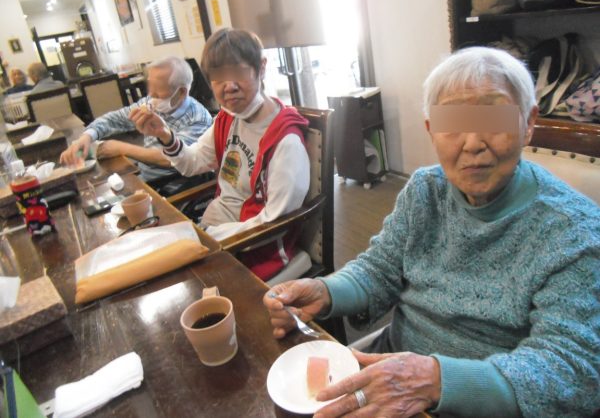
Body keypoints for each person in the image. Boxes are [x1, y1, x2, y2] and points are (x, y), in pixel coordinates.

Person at [263, 47, 600, 418]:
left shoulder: (574, 232)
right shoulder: (426, 190)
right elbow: (380, 268)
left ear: (529, 123)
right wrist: (325, 291)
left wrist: (435, 381)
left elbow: (571, 370)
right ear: (431, 131)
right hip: (390, 371)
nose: (473, 143)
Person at [131, 28, 310, 280]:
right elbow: (192, 163)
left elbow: (274, 222)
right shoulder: (228, 119)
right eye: (218, 77)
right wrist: (165, 135)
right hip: (215, 235)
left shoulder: (285, 140)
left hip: (251, 251)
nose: (229, 86)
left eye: (239, 72)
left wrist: (207, 238)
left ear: (261, 68)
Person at [60, 56, 213, 182]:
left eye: (157, 93)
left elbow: (173, 160)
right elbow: (115, 119)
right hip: (142, 175)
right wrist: (86, 137)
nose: (151, 97)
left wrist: (121, 148)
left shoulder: (198, 118)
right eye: (150, 90)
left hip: (171, 184)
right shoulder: (151, 103)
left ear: (181, 92)